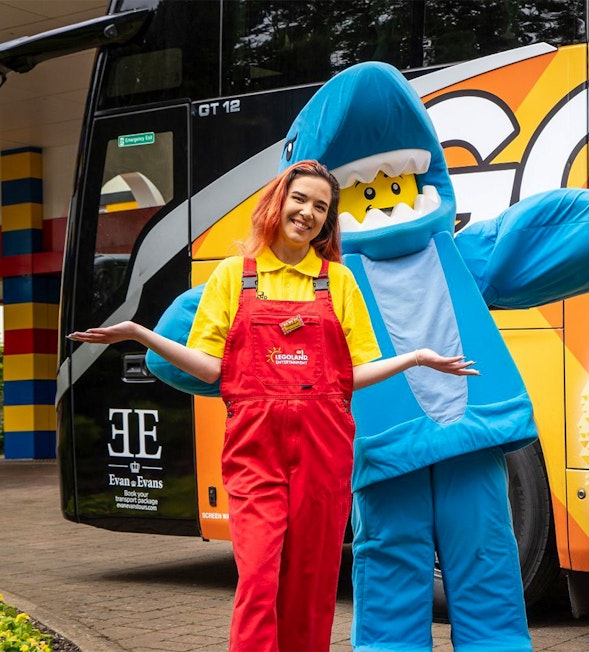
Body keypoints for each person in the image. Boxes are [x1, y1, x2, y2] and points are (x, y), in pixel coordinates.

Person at [68, 160, 477, 652]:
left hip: (324, 451)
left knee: (311, 582)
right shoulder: (232, 278)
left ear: (328, 222)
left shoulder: (338, 281)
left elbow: (351, 376)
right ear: (278, 201)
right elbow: (210, 368)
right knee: (259, 577)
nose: (307, 213)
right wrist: (139, 333)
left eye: (321, 208)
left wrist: (414, 358)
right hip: (255, 451)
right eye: (300, 199)